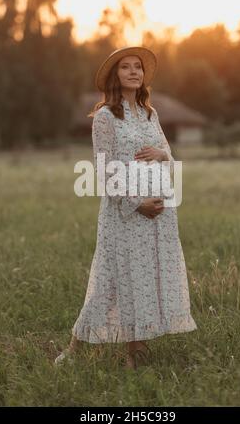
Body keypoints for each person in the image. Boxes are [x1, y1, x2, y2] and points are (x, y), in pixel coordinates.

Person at [54, 46, 197, 369]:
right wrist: (136, 203)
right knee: (112, 278)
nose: (134, 72)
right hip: (126, 212)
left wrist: (163, 157)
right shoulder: (105, 117)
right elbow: (103, 170)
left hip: (160, 213)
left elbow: (168, 155)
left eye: (138, 67)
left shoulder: (151, 113)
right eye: (126, 67)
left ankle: (137, 354)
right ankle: (74, 349)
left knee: (145, 279)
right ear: (114, 76)